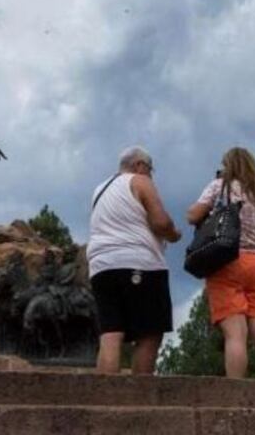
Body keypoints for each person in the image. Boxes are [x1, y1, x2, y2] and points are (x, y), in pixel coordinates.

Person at [186, 147, 255, 380]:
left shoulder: (221, 186)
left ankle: (235, 392)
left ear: (229, 166)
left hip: (228, 260)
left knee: (235, 334)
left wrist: (218, 185)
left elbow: (192, 215)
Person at [87, 146, 182, 375]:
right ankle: (139, 399)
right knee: (148, 334)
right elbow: (160, 222)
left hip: (101, 267)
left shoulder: (100, 189)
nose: (150, 174)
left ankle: (106, 398)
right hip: (138, 263)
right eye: (150, 169)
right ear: (139, 165)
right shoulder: (140, 181)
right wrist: (173, 234)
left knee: (110, 335)